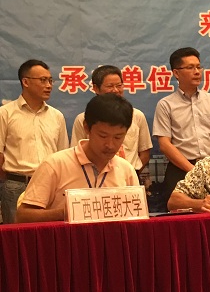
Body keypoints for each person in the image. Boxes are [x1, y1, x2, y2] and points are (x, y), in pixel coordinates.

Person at [16, 93, 139, 223]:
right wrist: (66, 213)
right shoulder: (55, 165)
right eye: (103, 136)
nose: (110, 145)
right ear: (86, 127)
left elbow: (137, 217)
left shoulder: (126, 170)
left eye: (118, 137)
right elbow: (22, 216)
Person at [0, 59, 69, 223]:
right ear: (25, 82)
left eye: (50, 80)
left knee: (50, 233)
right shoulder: (5, 113)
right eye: (43, 80)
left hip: (49, 186)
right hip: (16, 185)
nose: (49, 85)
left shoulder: (57, 116)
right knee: (16, 235)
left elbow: (62, 155)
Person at [152, 47, 210, 198]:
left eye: (198, 67)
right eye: (190, 67)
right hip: (181, 169)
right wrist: (194, 170)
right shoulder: (166, 104)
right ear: (176, 73)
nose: (197, 72)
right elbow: (164, 144)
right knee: (179, 209)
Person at [71, 65, 152, 177]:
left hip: (129, 177)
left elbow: (144, 153)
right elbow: (77, 152)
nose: (115, 90)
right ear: (96, 88)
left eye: (119, 85)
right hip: (93, 177)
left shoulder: (137, 116)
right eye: (110, 86)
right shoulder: (83, 119)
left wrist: (130, 173)